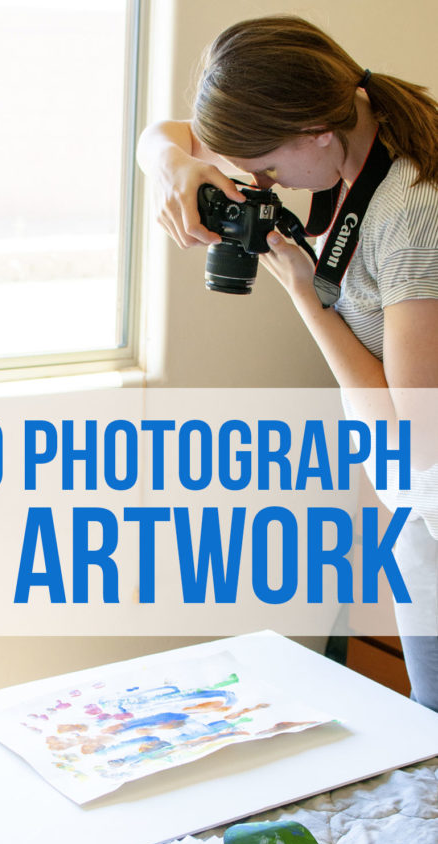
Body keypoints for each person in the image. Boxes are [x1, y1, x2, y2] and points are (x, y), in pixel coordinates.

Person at [137, 15, 438, 711]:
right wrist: (175, 166)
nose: (262, 183)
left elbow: (413, 441)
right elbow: (161, 135)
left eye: (265, 168)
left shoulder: (411, 216)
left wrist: (303, 294)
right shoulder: (362, 131)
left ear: (314, 132)